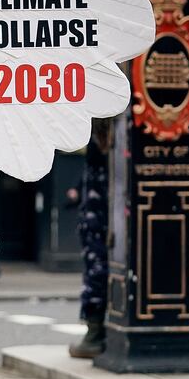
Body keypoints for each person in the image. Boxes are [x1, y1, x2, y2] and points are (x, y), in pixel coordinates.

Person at [69, 117, 113, 358]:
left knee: (97, 268)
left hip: (99, 213)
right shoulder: (104, 128)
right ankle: (96, 330)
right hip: (99, 208)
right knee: (99, 267)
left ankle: (95, 333)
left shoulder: (104, 127)